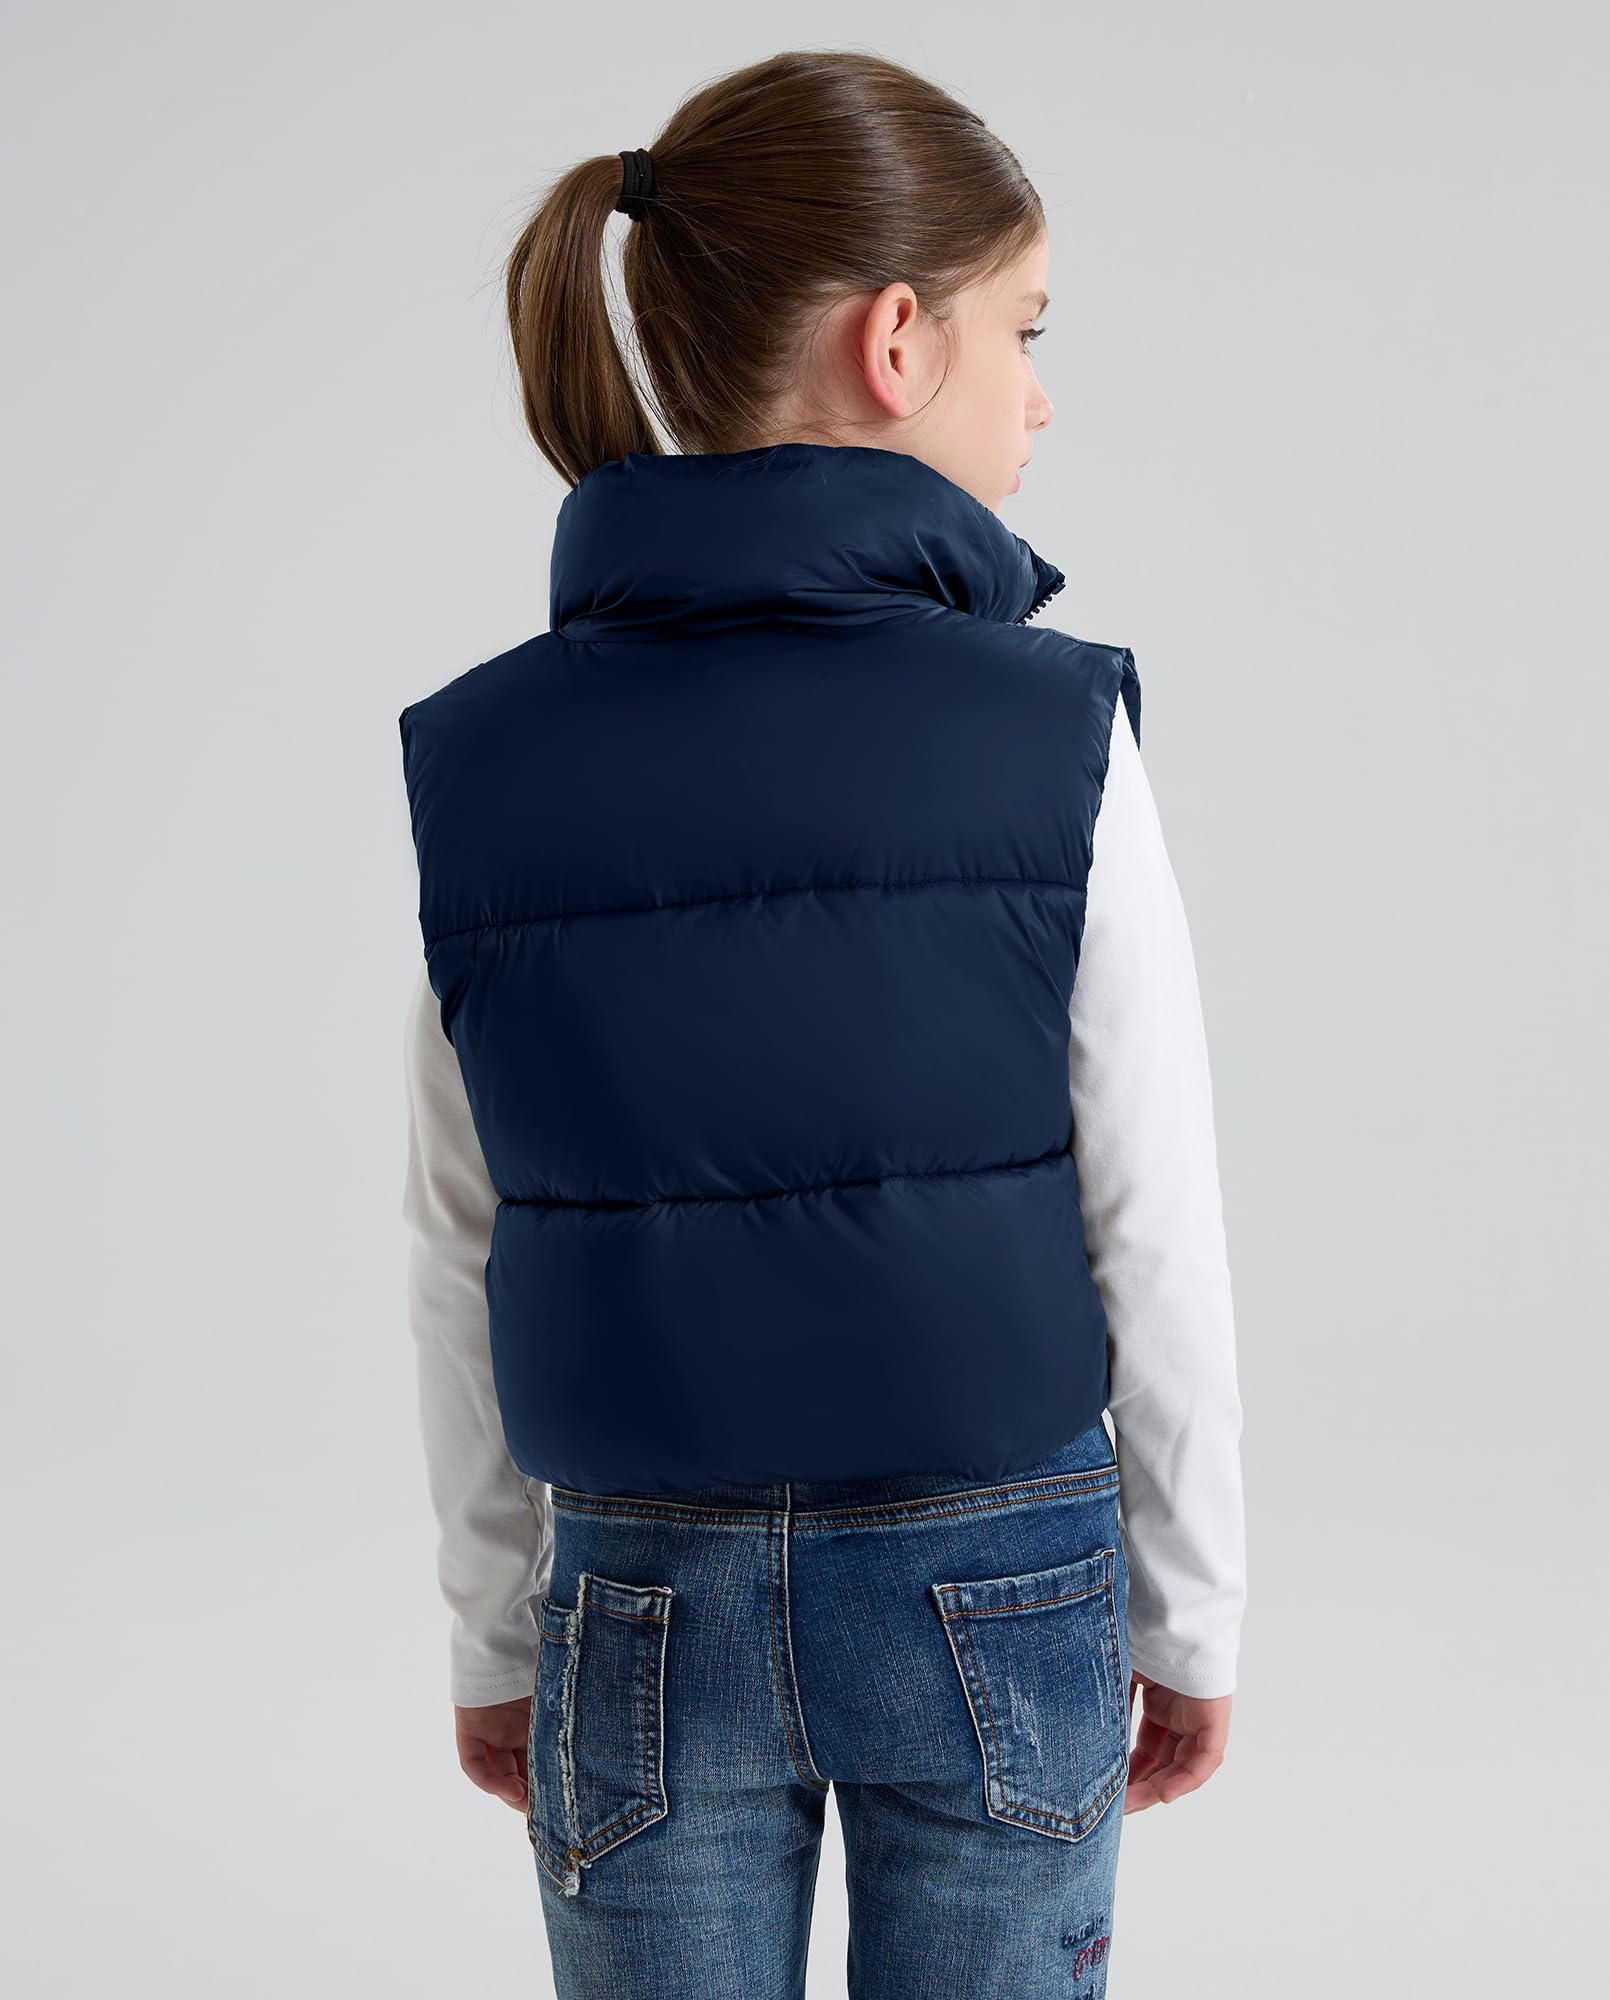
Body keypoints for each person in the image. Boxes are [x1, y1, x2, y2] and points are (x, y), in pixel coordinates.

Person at [398, 47, 1244, 2000]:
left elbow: (459, 1237)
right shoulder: (1053, 732)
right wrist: (1192, 1608)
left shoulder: (484, 757)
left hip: (635, 1585)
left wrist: (495, 1629)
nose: (1040, 392)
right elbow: (1154, 1211)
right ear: (895, 340)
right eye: (1024, 330)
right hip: (996, 1569)